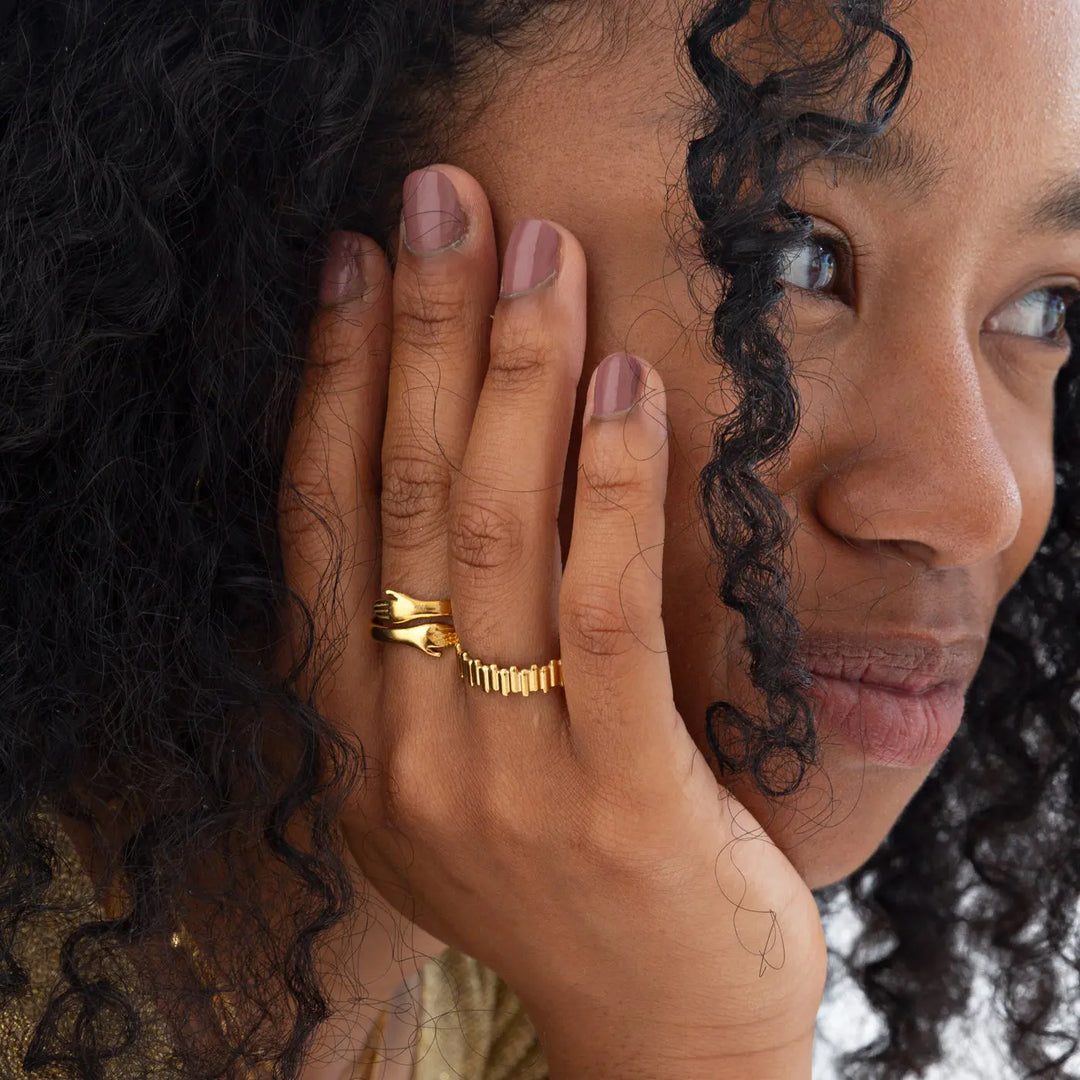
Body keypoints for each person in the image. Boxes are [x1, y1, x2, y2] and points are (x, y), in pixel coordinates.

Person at [1, 0, 1078, 1077]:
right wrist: (697, 1043)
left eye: (1046, 308)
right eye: (789, 256)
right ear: (300, 187)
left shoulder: (521, 1008)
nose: (979, 506)